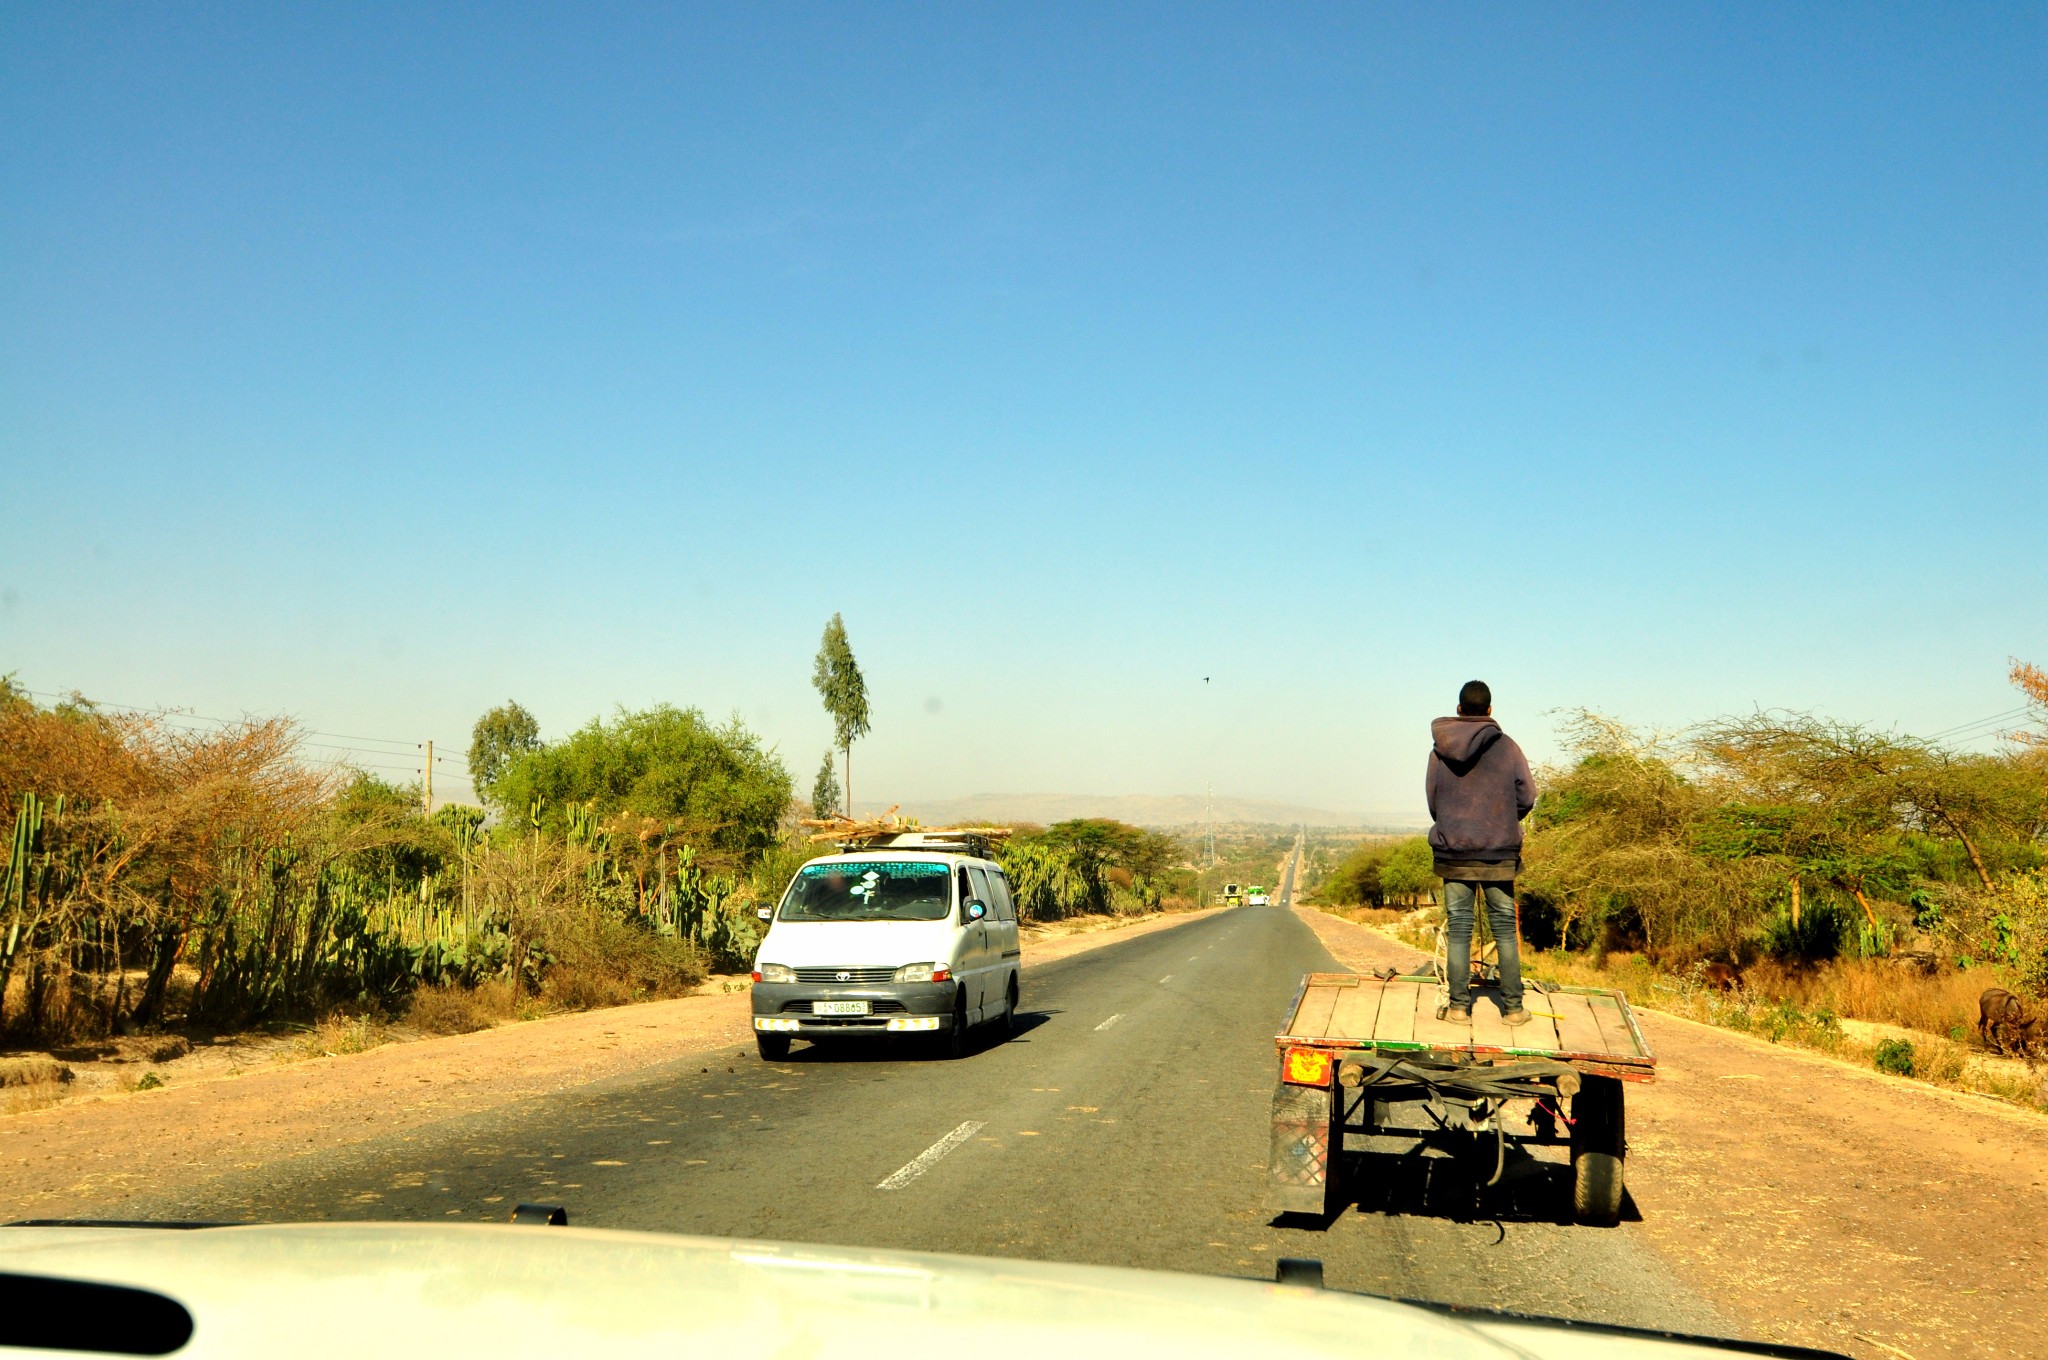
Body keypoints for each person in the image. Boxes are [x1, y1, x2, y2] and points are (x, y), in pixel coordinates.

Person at [1425, 679, 1538, 1024]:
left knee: (1459, 927)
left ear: (1460, 710)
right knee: (1504, 927)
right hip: (1498, 853)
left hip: (1454, 853)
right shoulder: (1508, 748)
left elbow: (1434, 800)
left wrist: (1456, 826)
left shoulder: (1439, 750)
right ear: (1489, 711)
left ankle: (1459, 1007)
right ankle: (1514, 1009)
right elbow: (1528, 797)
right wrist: (1503, 820)